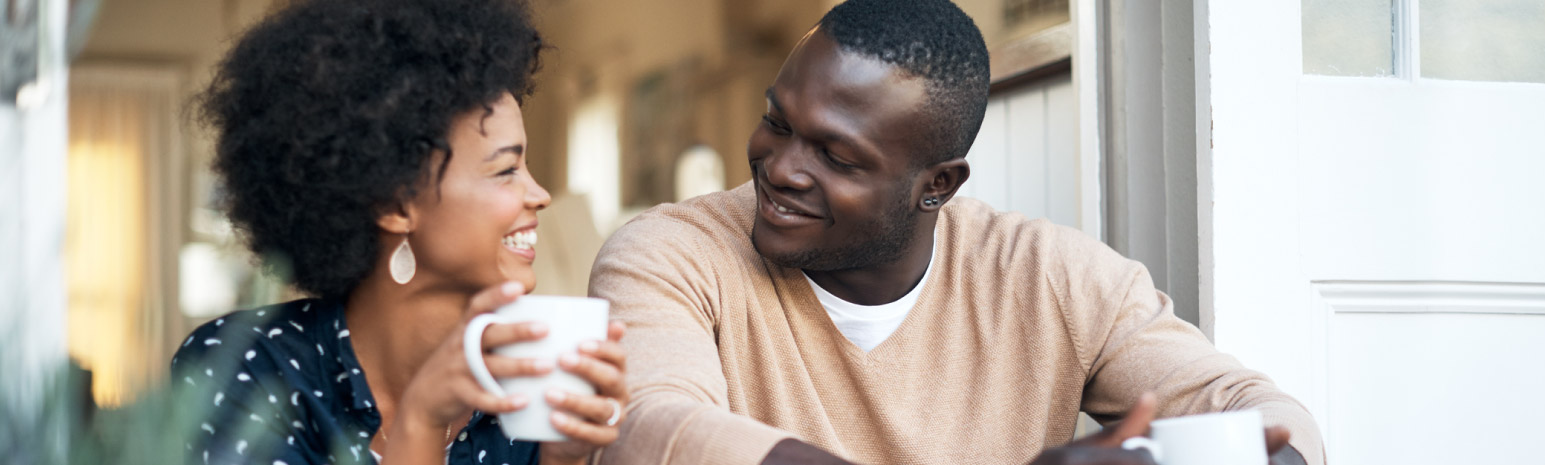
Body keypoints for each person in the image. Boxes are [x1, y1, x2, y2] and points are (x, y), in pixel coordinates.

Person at [588, 0, 1324, 464]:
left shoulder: (1053, 278)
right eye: (777, 122)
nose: (780, 168)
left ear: (937, 184)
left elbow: (1260, 409)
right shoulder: (669, 253)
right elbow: (651, 428)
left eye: (836, 156)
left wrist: (1245, 453)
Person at [170, 1, 628, 464]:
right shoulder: (243, 368)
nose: (541, 194)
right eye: (506, 169)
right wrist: (421, 420)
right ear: (395, 204)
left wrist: (562, 458)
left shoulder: (525, 379)